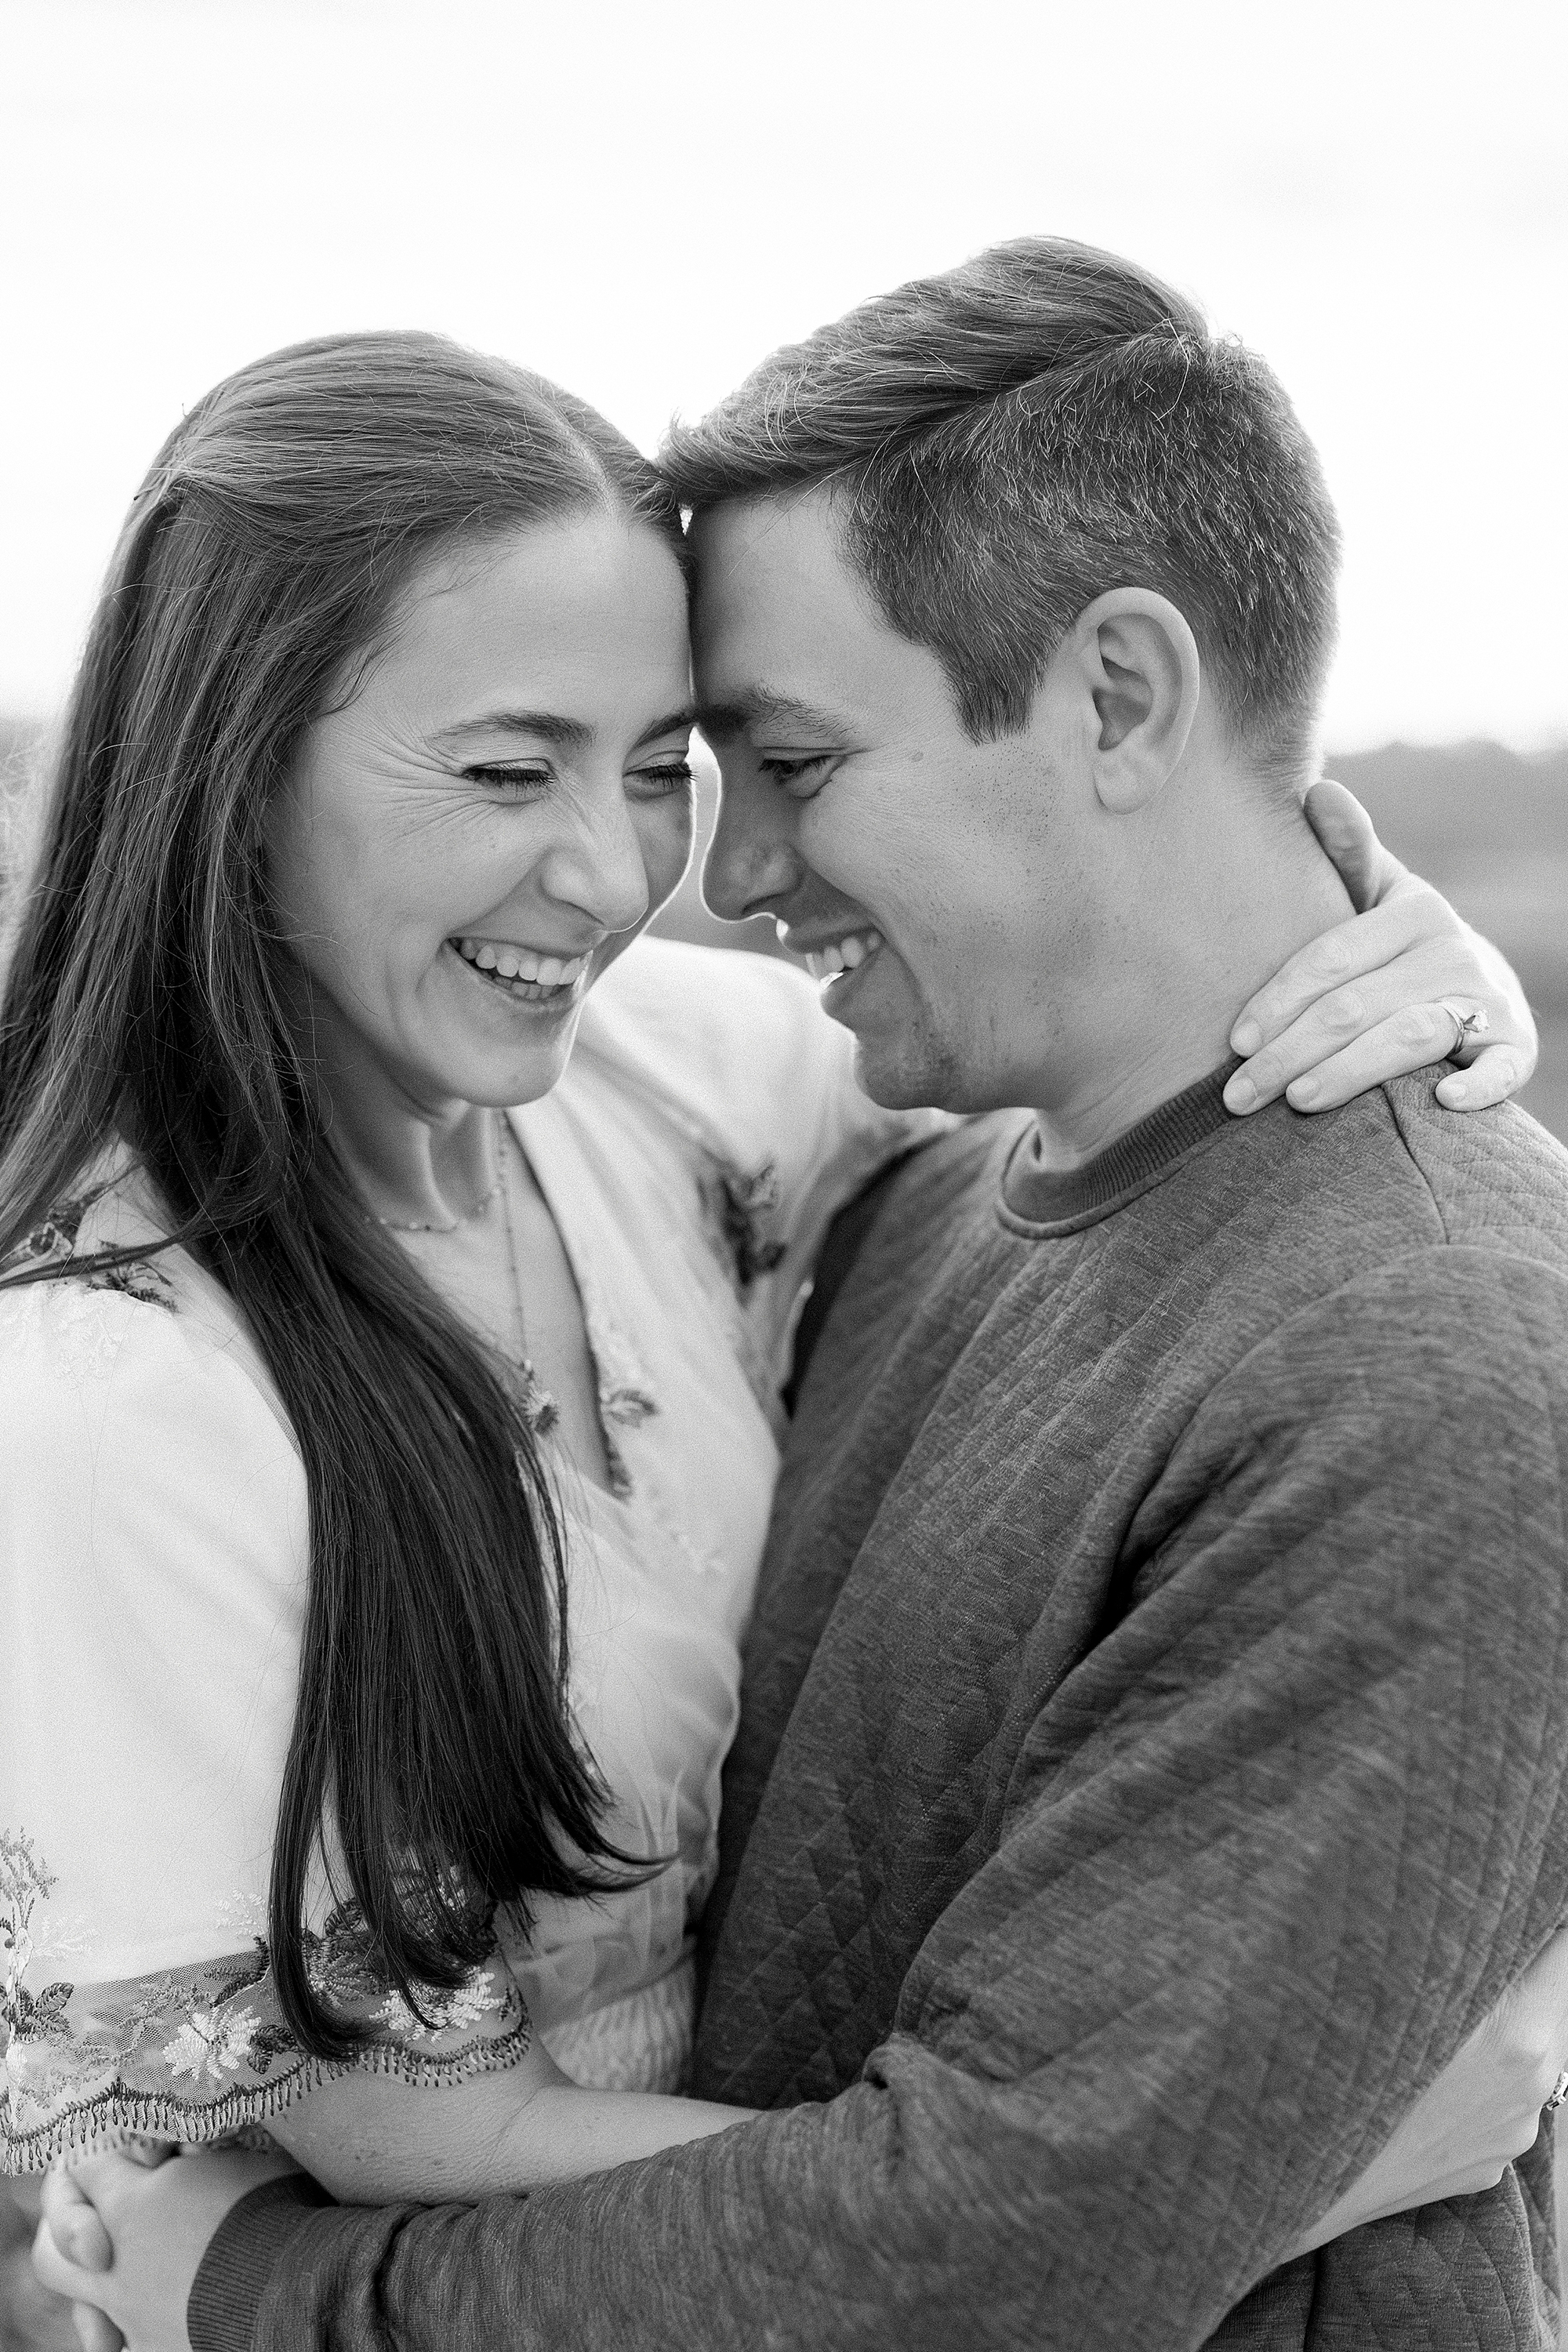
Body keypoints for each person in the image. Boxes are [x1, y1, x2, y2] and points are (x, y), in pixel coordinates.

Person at [22, 257, 1566, 2348]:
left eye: (716, 760)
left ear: (1118, 695)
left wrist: (1413, 962)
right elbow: (989, 2231)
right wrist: (1218, 2172)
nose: (680, 877)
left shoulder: (685, 1098)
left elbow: (1183, 1138)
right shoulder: (140, 1394)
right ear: (233, 771)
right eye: (507, 771)